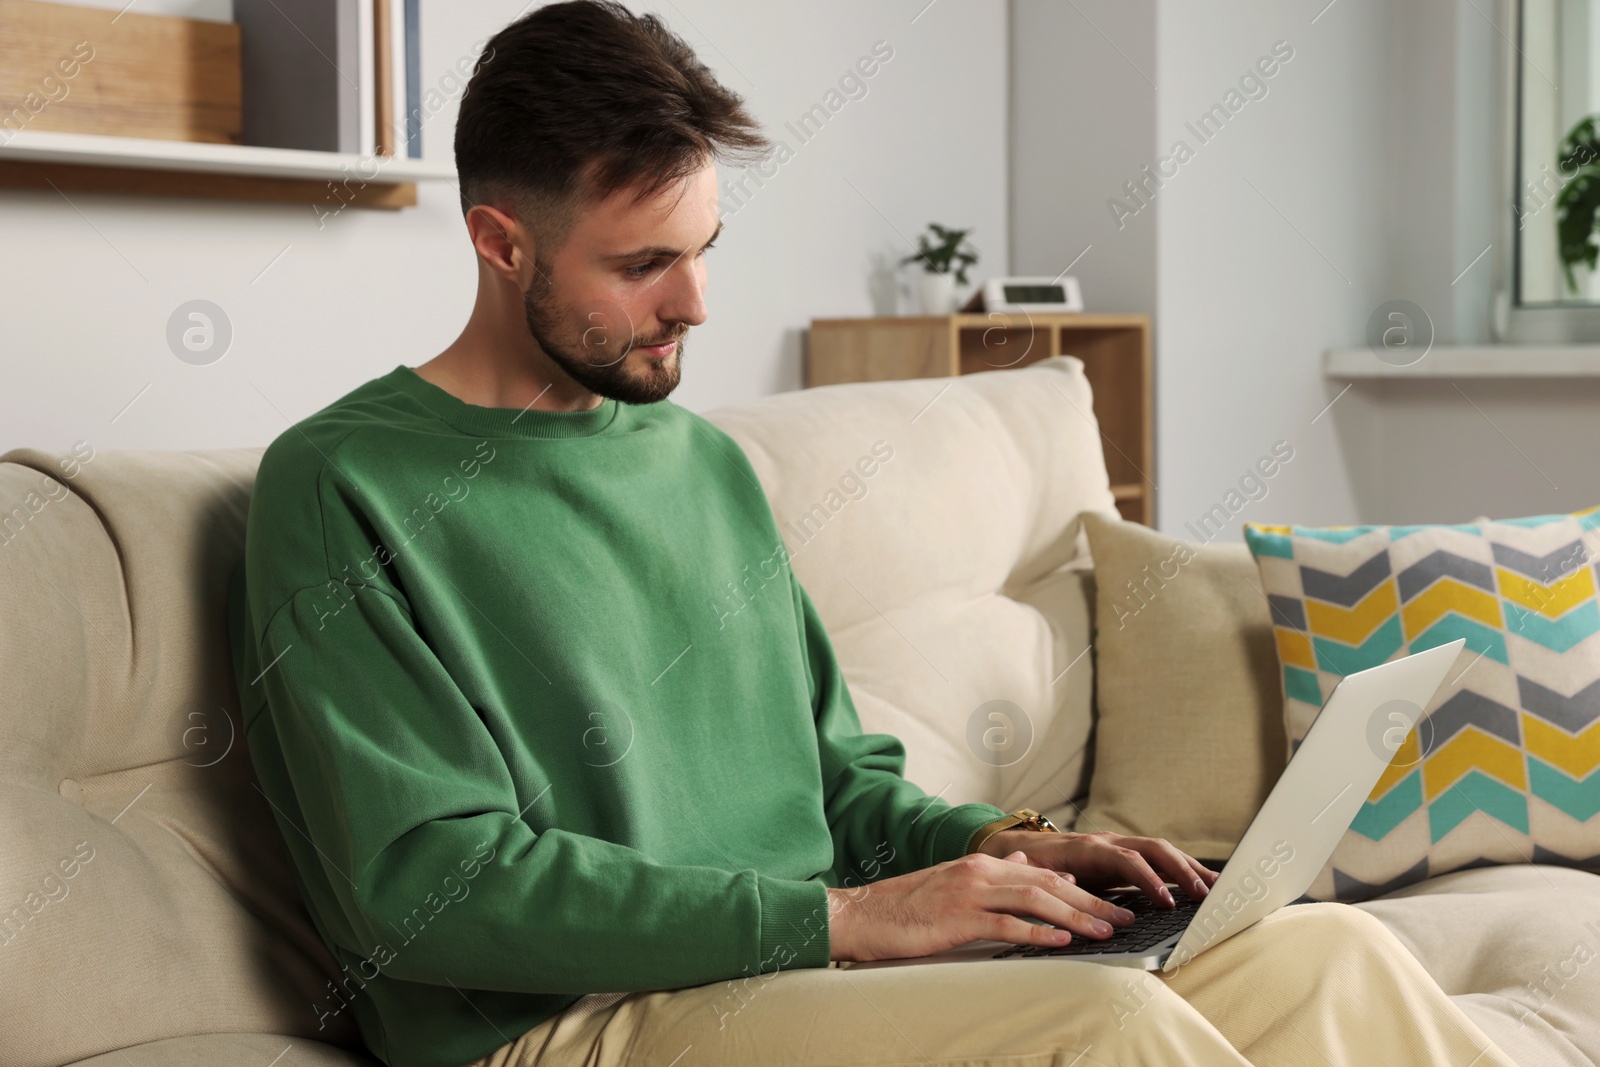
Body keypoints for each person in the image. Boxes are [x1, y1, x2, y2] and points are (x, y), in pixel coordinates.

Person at [226, 4, 1521, 1066]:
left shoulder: (704, 463)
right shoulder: (344, 488)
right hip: (566, 1024)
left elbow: (840, 782)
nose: (696, 303)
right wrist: (846, 921)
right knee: (1107, 1023)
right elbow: (434, 891)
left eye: (706, 249)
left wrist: (990, 850)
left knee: (1325, 956)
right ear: (500, 244)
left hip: (806, 966)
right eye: (642, 267)